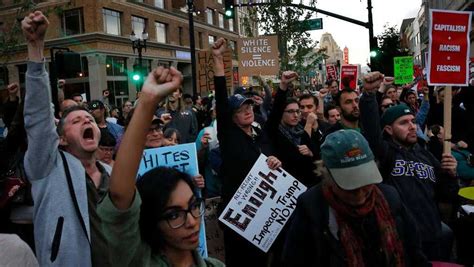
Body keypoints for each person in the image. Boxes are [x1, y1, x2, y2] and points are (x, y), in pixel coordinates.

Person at [97, 65, 223, 266]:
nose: (191, 222)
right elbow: (121, 196)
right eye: (174, 215)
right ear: (151, 222)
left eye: (193, 206)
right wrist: (148, 101)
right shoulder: (140, 261)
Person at [22, 11, 113, 266]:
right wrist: (35, 48)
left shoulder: (112, 174)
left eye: (90, 120)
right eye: (76, 121)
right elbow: (38, 117)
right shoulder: (48, 168)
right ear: (60, 139)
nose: (87, 121)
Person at [282, 129, 429, 266]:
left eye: (365, 181)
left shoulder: (390, 198)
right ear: (328, 176)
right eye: (350, 185)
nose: (360, 192)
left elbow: (414, 252)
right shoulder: (312, 207)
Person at [359, 71, 459, 260]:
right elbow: (371, 128)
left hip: (431, 236)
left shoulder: (427, 155)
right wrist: (370, 95)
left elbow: (447, 194)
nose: (412, 126)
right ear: (388, 129)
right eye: (404, 123)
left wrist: (451, 174)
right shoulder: (386, 153)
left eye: (412, 121)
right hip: (400, 240)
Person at [212, 37, 282, 267]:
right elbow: (222, 101)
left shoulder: (259, 134)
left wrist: (273, 161)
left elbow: (270, 154)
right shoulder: (229, 136)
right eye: (241, 109)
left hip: (263, 211)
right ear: (232, 117)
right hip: (239, 214)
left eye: (250, 106)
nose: (248, 111)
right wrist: (218, 60)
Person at [265, 73, 319, 187]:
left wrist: (310, 153)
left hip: (309, 184)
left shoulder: (302, 128)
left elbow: (318, 156)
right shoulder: (274, 131)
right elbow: (276, 109)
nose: (295, 115)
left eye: (297, 111)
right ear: (281, 113)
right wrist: (283, 85)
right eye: (290, 112)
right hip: (287, 187)